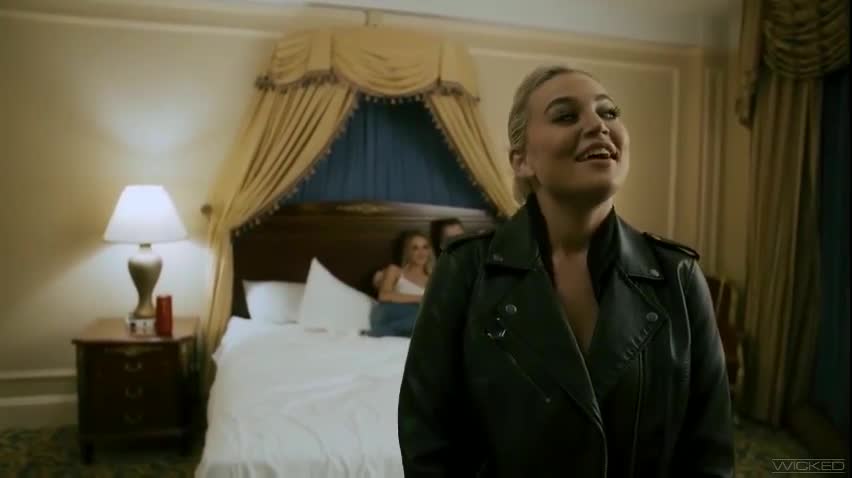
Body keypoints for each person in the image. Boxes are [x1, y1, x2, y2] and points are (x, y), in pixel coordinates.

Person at [398, 65, 735, 477]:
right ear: (522, 161)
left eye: (608, 112)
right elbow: (428, 441)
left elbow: (710, 453)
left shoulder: (677, 276)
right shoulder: (465, 271)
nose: (598, 125)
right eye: (565, 115)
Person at [366, 231, 433, 337]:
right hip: (390, 313)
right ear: (408, 252)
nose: (421, 253)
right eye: (415, 248)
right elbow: (384, 296)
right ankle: (380, 332)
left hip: (413, 323)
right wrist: (421, 298)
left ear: (429, 251)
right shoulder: (395, 271)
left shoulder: (432, 279)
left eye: (425, 247)